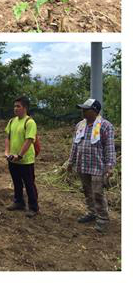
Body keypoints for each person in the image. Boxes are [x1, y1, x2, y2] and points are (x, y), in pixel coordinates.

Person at [67, 98, 116, 233]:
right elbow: (75, 145)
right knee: (87, 191)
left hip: (97, 167)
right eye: (82, 109)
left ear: (94, 111)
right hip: (83, 165)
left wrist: (109, 166)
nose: (82, 111)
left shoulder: (105, 126)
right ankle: (92, 212)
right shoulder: (80, 125)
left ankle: (103, 218)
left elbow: (110, 148)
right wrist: (70, 162)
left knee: (97, 193)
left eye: (86, 109)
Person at [4, 94, 39, 216]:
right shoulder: (12, 121)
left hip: (25, 160)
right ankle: (19, 202)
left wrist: (19, 155)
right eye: (14, 106)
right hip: (12, 159)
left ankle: (33, 207)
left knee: (29, 184)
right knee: (16, 182)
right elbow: (8, 137)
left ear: (25, 108)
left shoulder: (30, 122)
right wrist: (7, 152)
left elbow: (29, 140)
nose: (15, 108)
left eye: (18, 106)